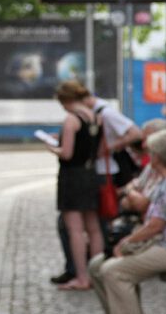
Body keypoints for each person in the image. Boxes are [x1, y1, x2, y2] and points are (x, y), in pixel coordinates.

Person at [91, 130, 166, 314]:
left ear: (158, 157)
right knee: (98, 265)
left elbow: (155, 226)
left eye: (151, 153)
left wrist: (127, 242)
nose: (148, 156)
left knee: (114, 272)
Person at [46, 82, 104, 290]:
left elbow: (67, 153)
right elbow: (96, 152)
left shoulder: (71, 119)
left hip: (72, 177)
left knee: (76, 230)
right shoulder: (96, 117)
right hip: (91, 175)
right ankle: (98, 275)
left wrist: (54, 148)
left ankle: (82, 278)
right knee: (94, 229)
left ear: (66, 100)